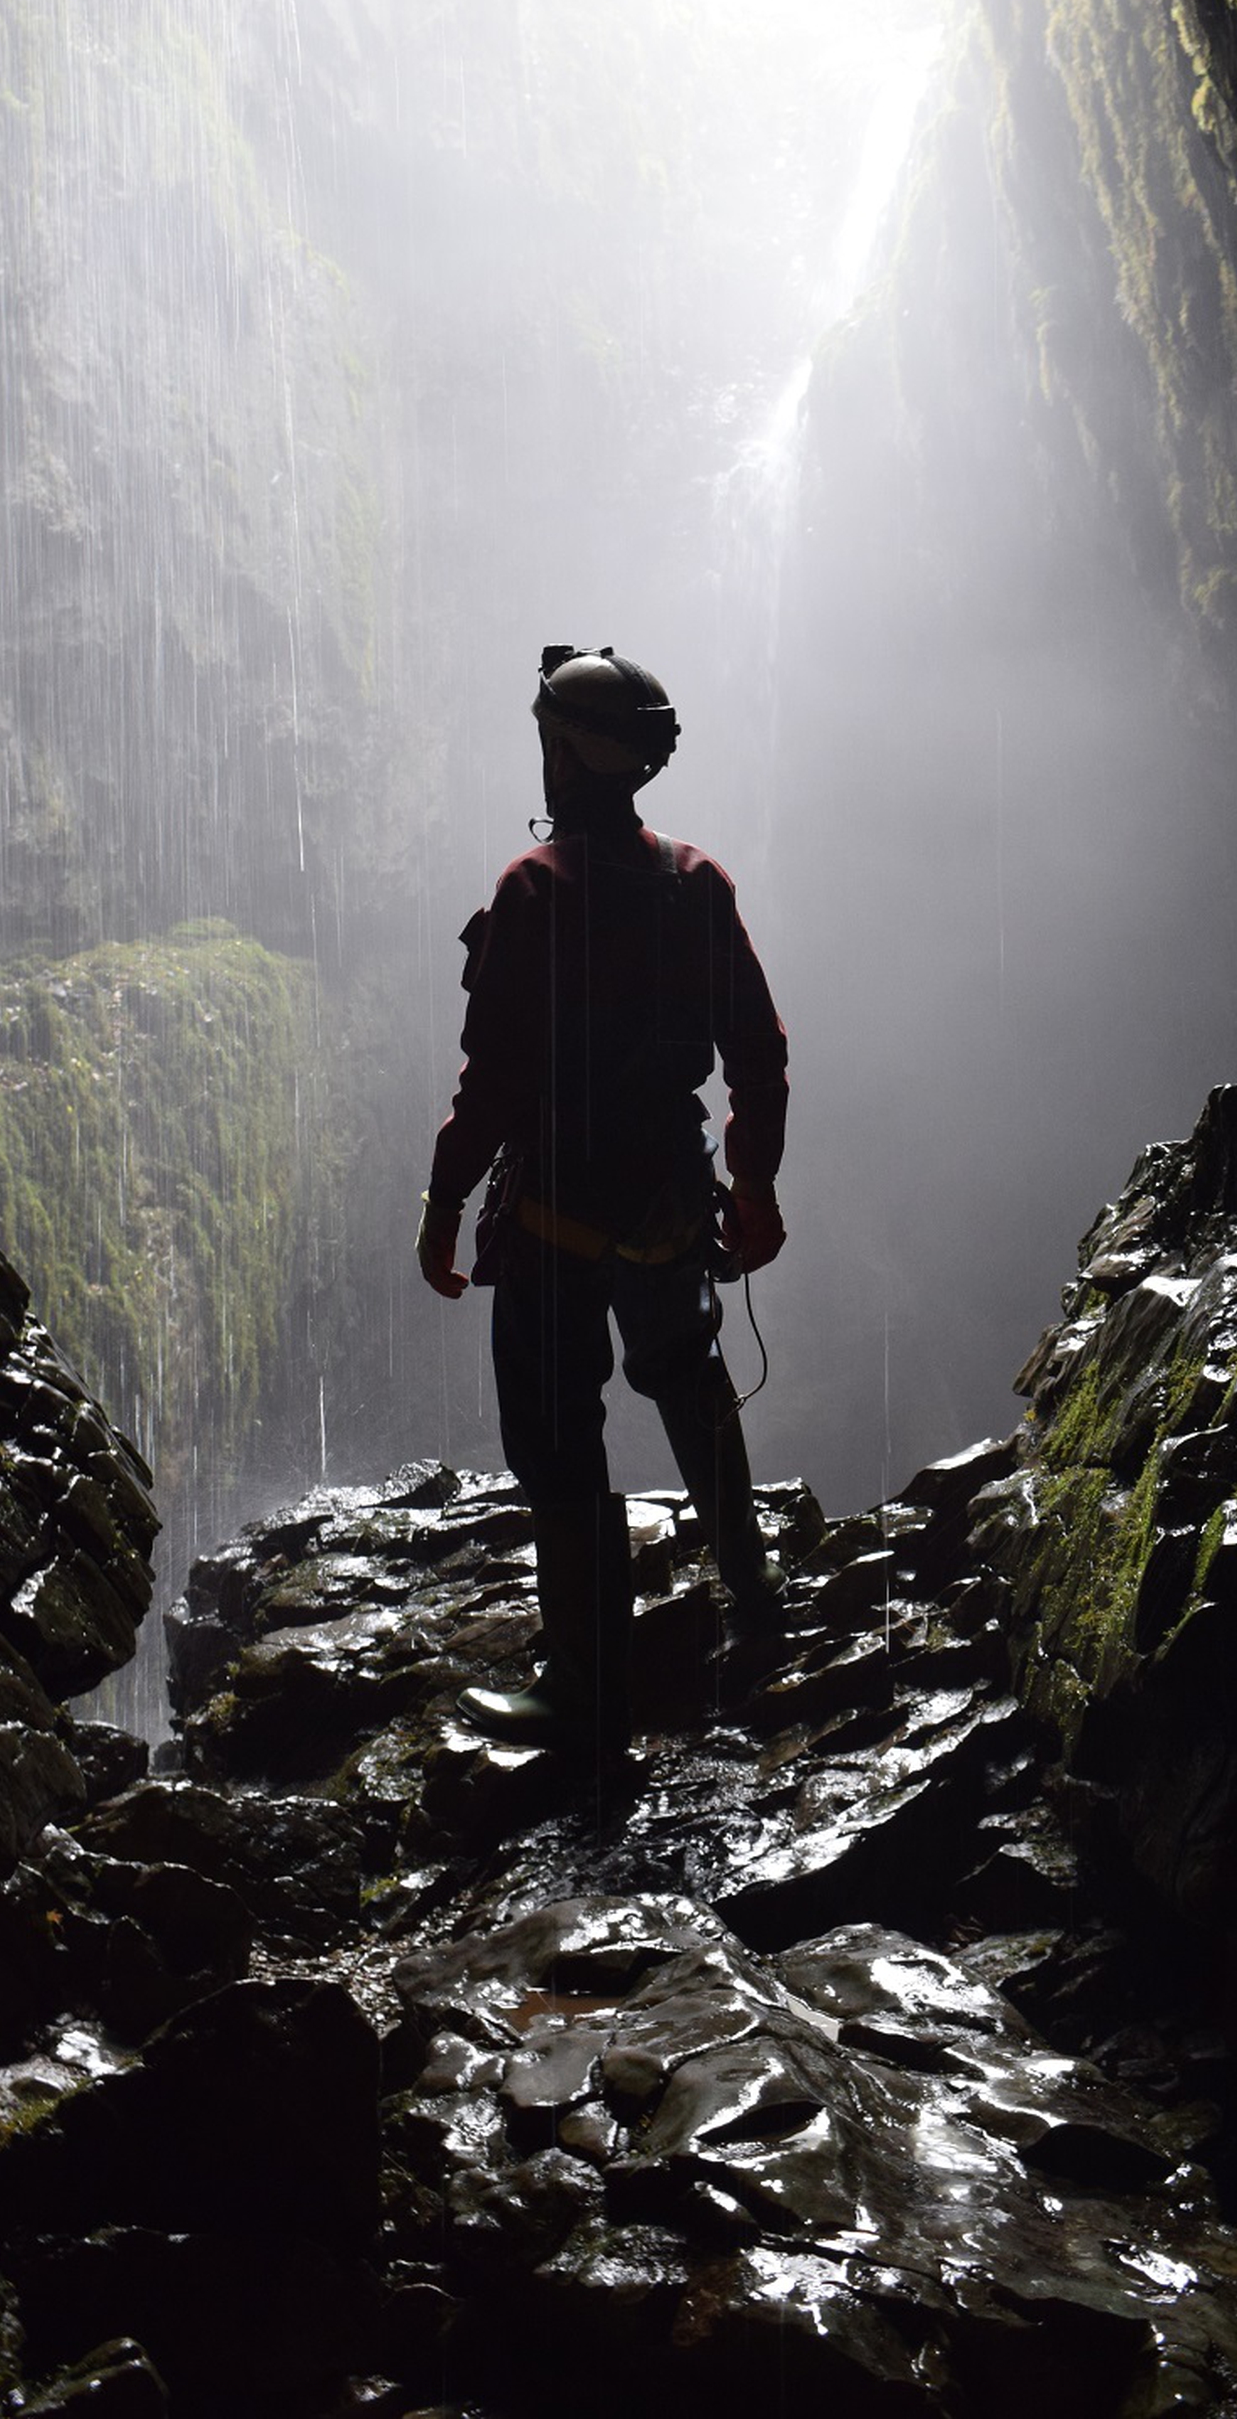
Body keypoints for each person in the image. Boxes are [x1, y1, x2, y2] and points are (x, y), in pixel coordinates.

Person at [416, 645, 790, 1752]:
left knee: (559, 1434)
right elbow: (757, 1055)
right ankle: (758, 1608)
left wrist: (443, 1207)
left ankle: (587, 1685)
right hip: (674, 1200)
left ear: (571, 757)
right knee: (689, 1379)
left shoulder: (534, 892)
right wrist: (754, 1186)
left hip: (555, 1215)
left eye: (548, 741)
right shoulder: (696, 883)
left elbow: (495, 1083)